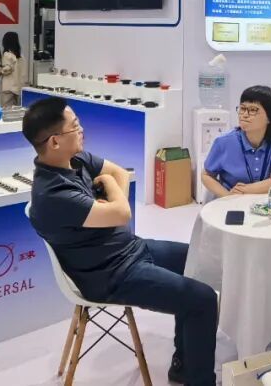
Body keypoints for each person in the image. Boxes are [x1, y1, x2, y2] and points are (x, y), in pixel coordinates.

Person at [25, 97, 216, 386]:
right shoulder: (53, 194)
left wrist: (113, 195)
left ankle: (184, 366)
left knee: (197, 261)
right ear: (54, 141)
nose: (82, 130)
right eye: (75, 126)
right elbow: (123, 212)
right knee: (202, 299)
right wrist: (113, 192)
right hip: (110, 275)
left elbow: (120, 173)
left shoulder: (75, 160)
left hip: (130, 250)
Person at [201, 85, 271, 198]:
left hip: (265, 202)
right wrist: (228, 196)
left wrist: (245, 190)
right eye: (242, 108)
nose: (244, 115)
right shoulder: (224, 142)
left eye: (253, 110)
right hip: (231, 202)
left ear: (270, 117)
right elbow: (206, 175)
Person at [0, 31, 26, 108]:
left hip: (7, 88)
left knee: (6, 110)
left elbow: (7, 70)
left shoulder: (7, 55)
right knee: (15, 110)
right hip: (17, 88)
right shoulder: (21, 56)